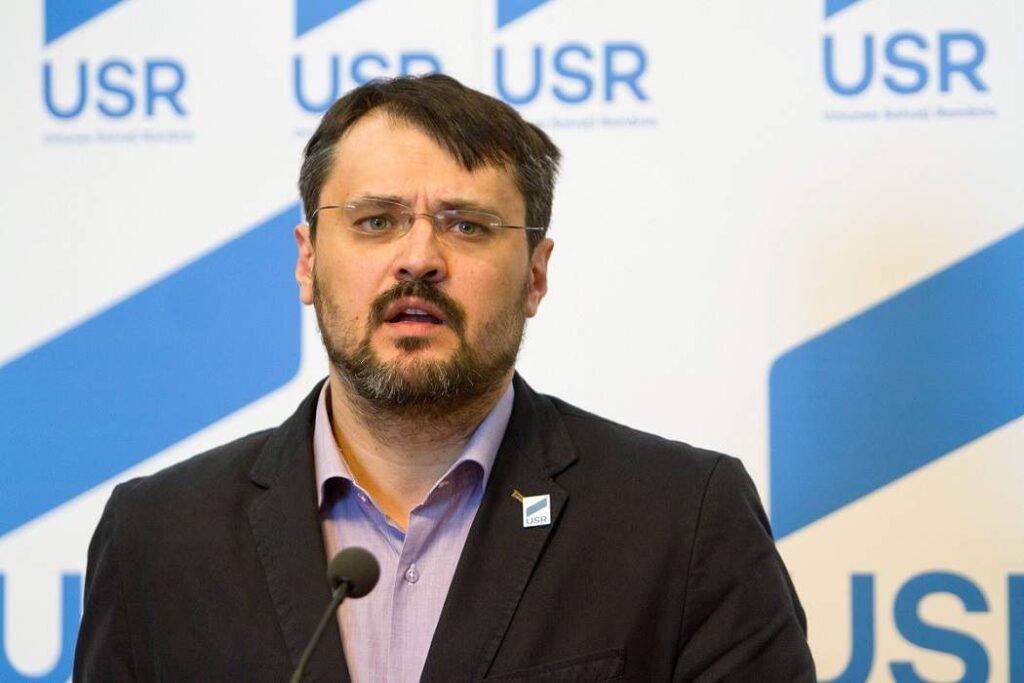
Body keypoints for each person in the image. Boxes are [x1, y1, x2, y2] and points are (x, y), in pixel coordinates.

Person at [74, 74, 816, 682]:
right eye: (376, 221)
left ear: (536, 275)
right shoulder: (157, 536)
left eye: (467, 225)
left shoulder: (680, 518)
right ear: (307, 260)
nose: (419, 259)